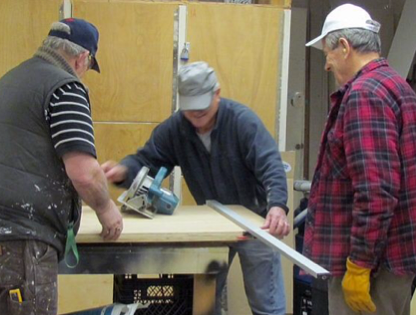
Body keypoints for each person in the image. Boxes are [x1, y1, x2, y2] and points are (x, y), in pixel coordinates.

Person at [0, 18, 124, 315]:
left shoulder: (8, 81)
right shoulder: (65, 86)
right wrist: (106, 209)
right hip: (15, 239)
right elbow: (84, 173)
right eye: (88, 65)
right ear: (82, 58)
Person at [102, 61, 289, 315]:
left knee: (266, 303)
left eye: (202, 108)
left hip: (255, 222)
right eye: (190, 110)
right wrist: (124, 171)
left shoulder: (243, 122)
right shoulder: (177, 128)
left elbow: (271, 164)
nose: (196, 117)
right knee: (202, 303)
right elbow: (148, 160)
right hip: (212, 223)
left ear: (217, 94)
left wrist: (277, 206)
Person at [303, 4, 416, 315]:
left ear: (345, 47)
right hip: (390, 260)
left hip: (375, 266)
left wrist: (359, 266)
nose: (327, 65)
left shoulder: (365, 95)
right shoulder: (396, 87)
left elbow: (376, 191)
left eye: (328, 54)